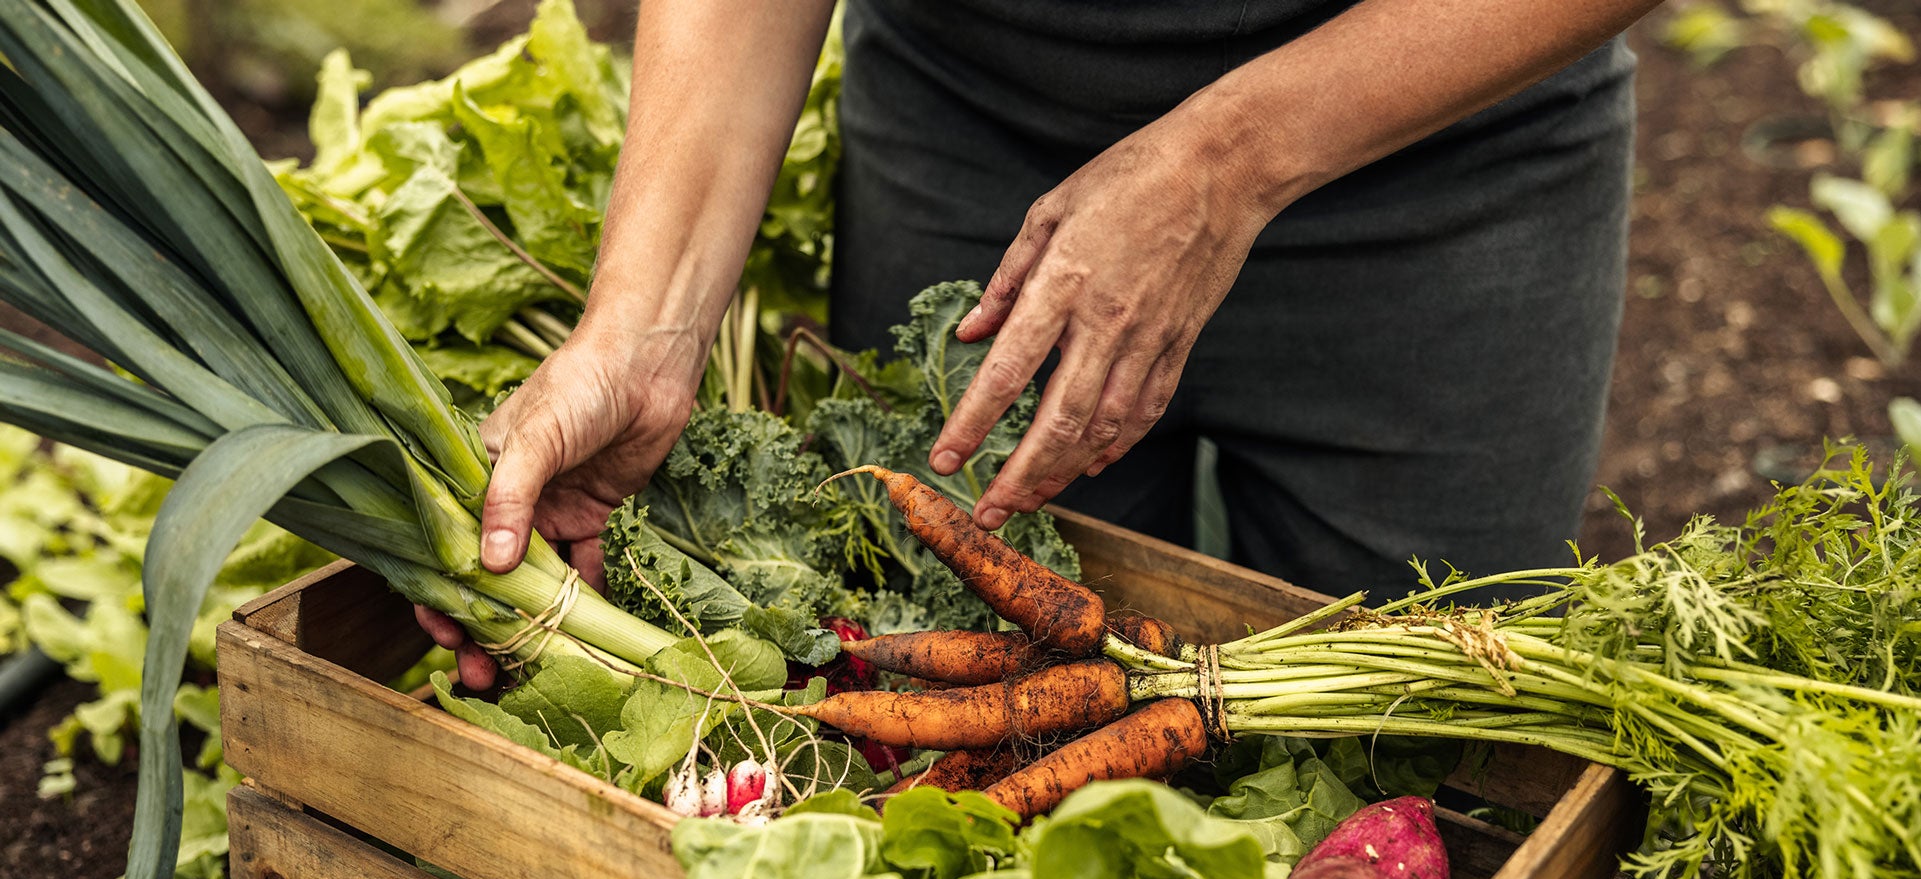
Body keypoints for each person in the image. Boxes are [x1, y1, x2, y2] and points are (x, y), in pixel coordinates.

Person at [418, 0, 1664, 689]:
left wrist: (1222, 163)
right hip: (976, 137)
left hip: (1440, 151)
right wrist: (647, 325)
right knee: (949, 687)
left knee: (1430, 752)